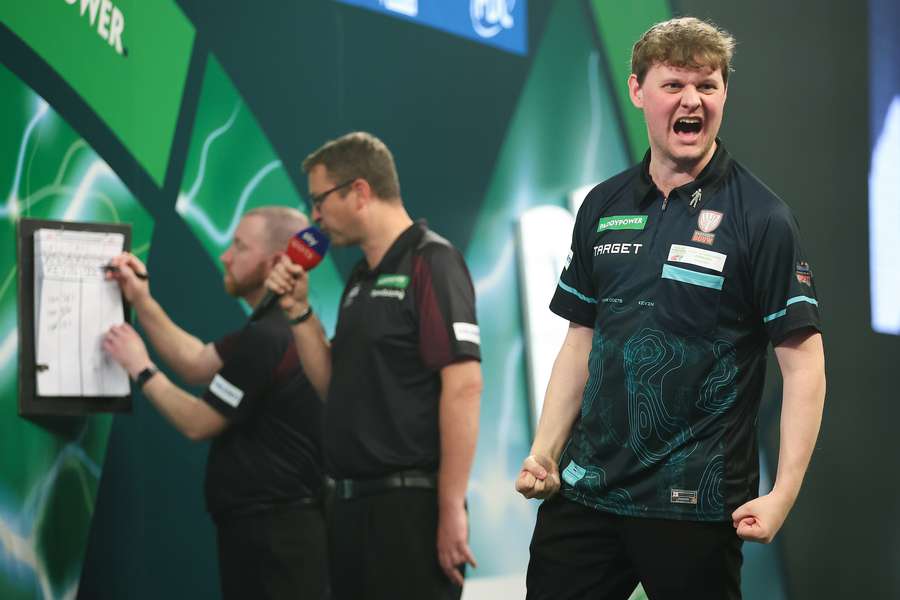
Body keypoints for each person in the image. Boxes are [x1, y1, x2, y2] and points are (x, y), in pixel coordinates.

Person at [515, 17, 826, 600]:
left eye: (707, 86)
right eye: (674, 84)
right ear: (637, 91)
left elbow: (803, 364)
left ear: (725, 94)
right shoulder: (602, 206)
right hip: (586, 495)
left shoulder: (763, 219)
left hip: (696, 506)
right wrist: (544, 453)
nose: (693, 101)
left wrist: (782, 493)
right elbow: (581, 340)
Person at [265, 131, 482, 600]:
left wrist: (450, 507)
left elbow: (464, 386)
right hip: (348, 507)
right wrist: (299, 313)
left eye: (319, 201)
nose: (314, 217)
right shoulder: (360, 278)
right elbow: (334, 386)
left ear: (359, 192)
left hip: (409, 510)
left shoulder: (432, 262)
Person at [102, 206, 328, 600]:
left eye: (239, 246)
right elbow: (195, 362)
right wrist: (140, 297)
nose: (225, 255)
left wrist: (141, 369)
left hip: (275, 538)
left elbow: (198, 422)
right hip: (268, 531)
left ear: (274, 261)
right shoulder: (268, 329)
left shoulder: (269, 337)